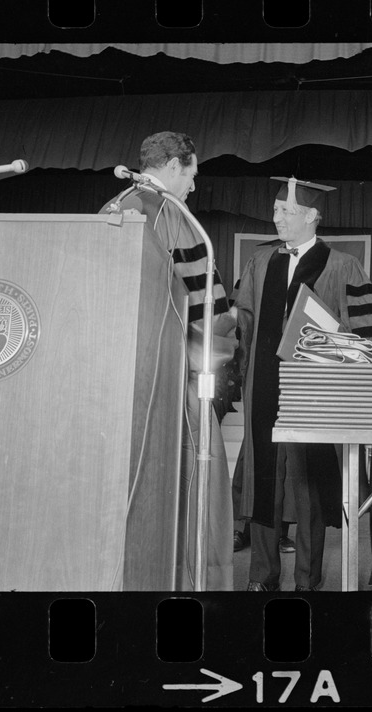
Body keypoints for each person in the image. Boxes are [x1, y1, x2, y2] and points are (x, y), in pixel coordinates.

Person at [100, 131, 237, 590]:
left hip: (116, 378)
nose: (194, 185)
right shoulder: (174, 217)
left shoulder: (114, 208)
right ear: (174, 165)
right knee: (200, 477)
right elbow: (210, 316)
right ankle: (195, 583)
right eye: (192, 173)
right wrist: (221, 350)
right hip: (172, 378)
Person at [234, 176, 372, 591]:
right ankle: (261, 577)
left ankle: (307, 580)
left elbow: (364, 337)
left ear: (312, 216)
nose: (276, 217)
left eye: (286, 211)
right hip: (264, 387)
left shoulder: (342, 265)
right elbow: (243, 323)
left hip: (314, 391)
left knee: (309, 486)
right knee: (264, 481)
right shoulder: (260, 262)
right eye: (277, 209)